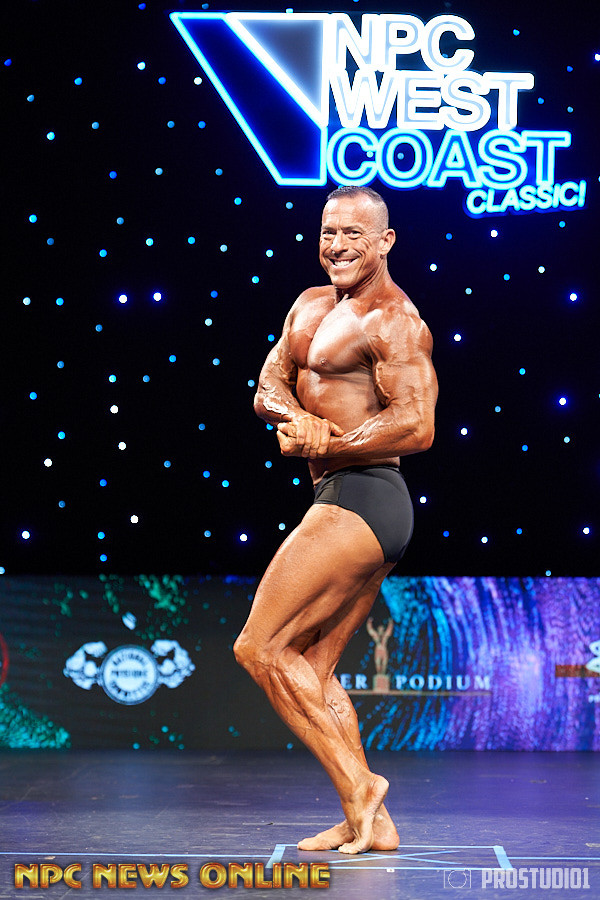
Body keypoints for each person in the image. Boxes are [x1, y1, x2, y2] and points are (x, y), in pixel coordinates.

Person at [233, 185, 437, 854]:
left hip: (366, 495)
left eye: (354, 234)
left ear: (385, 242)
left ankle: (360, 785)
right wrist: (297, 419)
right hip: (345, 496)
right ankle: (370, 825)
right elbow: (268, 385)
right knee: (314, 670)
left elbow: (417, 424)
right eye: (329, 232)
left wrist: (333, 443)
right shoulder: (309, 305)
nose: (338, 245)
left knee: (260, 648)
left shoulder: (394, 319)